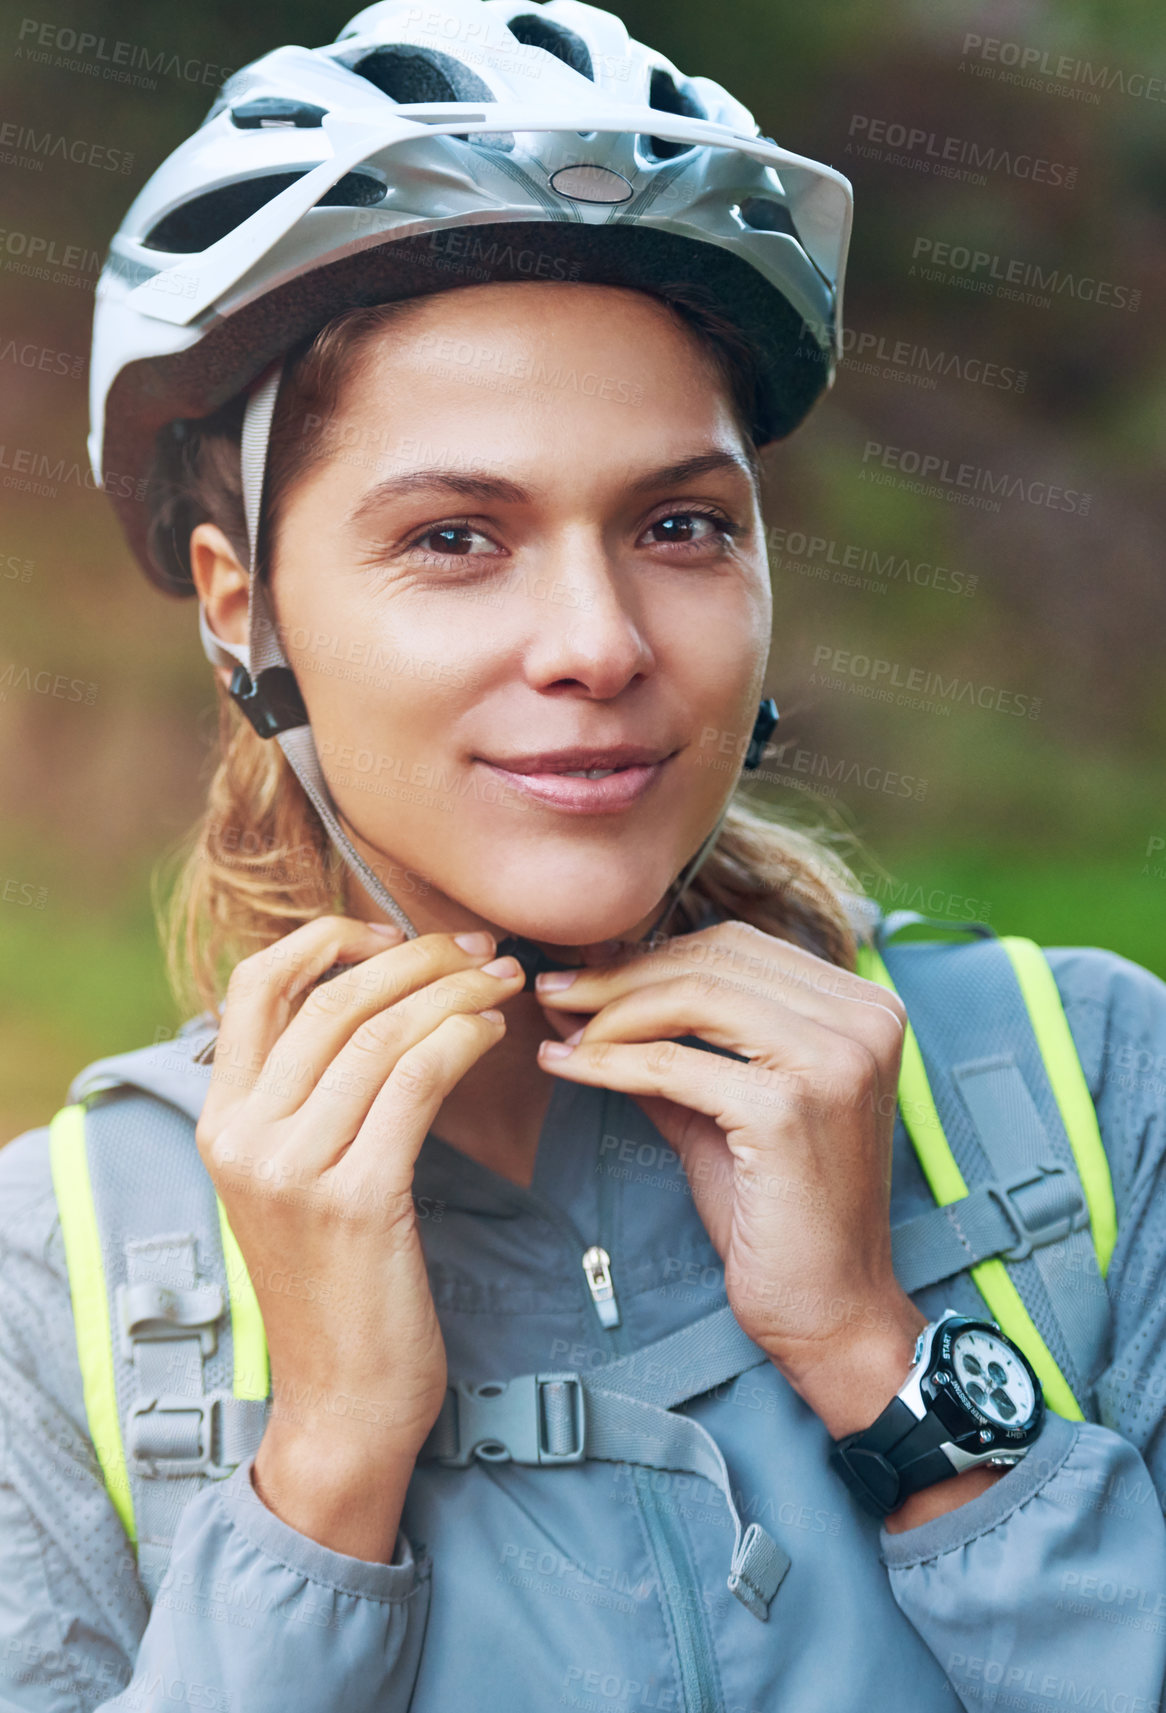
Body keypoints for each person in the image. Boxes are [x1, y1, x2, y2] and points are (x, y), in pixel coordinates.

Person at [2, 4, 1165, 1710]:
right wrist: (320, 1474)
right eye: (454, 537)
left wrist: (884, 1364)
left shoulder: (1091, 1091)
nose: (598, 642)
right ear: (244, 609)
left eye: (677, 524)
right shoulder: (59, 1284)